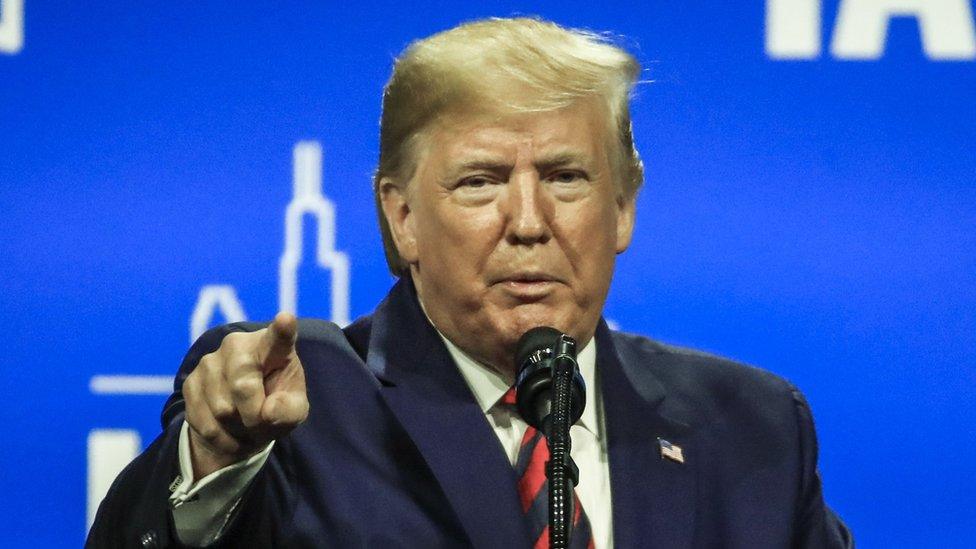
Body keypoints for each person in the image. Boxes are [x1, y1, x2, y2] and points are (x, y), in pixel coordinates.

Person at [88, 17, 852, 548]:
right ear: (402, 217)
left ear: (623, 205)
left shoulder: (753, 428)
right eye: (482, 181)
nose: (528, 221)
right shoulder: (302, 400)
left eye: (565, 176)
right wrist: (219, 461)